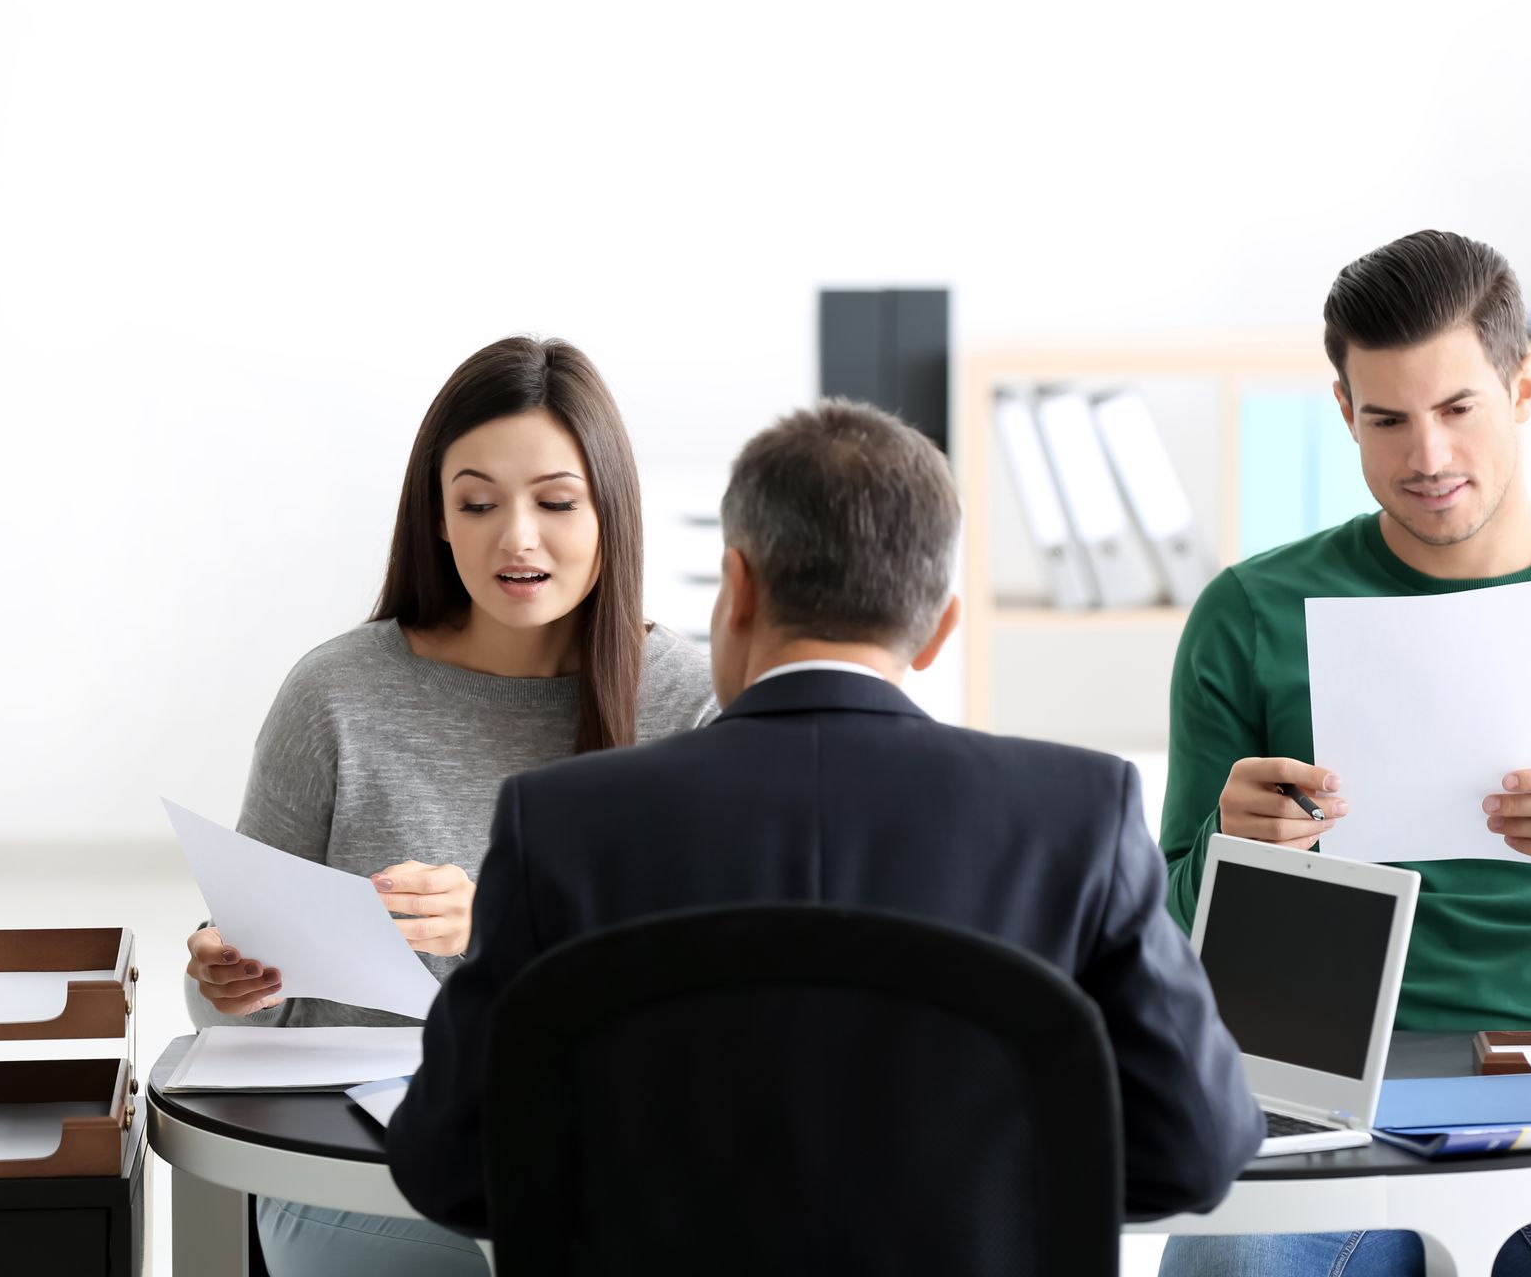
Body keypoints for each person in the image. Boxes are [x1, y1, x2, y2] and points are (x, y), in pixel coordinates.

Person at [386, 398, 1264, 1236]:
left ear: (737, 589)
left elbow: (445, 1163)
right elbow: (1197, 1148)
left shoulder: (563, 824)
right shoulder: (1079, 818)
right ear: (937, 630)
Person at [1157, 231, 1531, 1276]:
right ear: (1344, 412)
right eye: (1387, 419)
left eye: (1457, 410)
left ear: (1524, 386)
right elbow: (1165, 938)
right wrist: (1231, 846)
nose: (1427, 458)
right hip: (1327, 1096)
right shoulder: (1248, 614)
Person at [182, 335, 718, 1277]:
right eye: (477, 503)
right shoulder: (337, 694)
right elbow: (245, 1015)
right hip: (367, 1176)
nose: (517, 537)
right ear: (437, 517)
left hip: (610, 1163)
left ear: (611, 514)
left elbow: (715, 990)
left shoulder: (690, 703)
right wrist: (230, 979)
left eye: (555, 502)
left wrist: (507, 925)